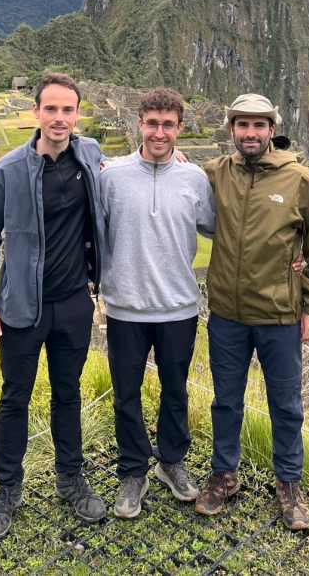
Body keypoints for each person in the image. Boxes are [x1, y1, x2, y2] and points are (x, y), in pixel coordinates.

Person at [0, 73, 107, 540]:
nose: (60, 118)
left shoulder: (88, 154)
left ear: (76, 114)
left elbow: (123, 168)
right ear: (36, 112)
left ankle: (70, 479)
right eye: (51, 109)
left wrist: (176, 157)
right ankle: (7, 489)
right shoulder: (7, 171)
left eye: (68, 110)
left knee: (67, 394)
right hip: (22, 307)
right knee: (16, 398)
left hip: (73, 302)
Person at [195, 94, 309, 530]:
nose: (249, 134)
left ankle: (289, 484)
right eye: (242, 125)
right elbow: (174, 174)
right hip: (227, 314)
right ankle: (223, 474)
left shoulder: (300, 180)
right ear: (231, 129)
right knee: (226, 401)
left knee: (287, 404)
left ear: (272, 130)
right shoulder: (216, 172)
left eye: (258, 126)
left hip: (279, 314)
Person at [100, 87, 215, 519]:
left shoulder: (195, 179)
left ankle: (171, 462)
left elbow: (221, 229)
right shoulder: (111, 177)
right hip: (126, 307)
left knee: (175, 390)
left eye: (168, 125)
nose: (160, 132)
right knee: (125, 394)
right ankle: (133, 472)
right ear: (139, 124)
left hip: (178, 307)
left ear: (180, 128)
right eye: (152, 123)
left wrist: (293, 250)